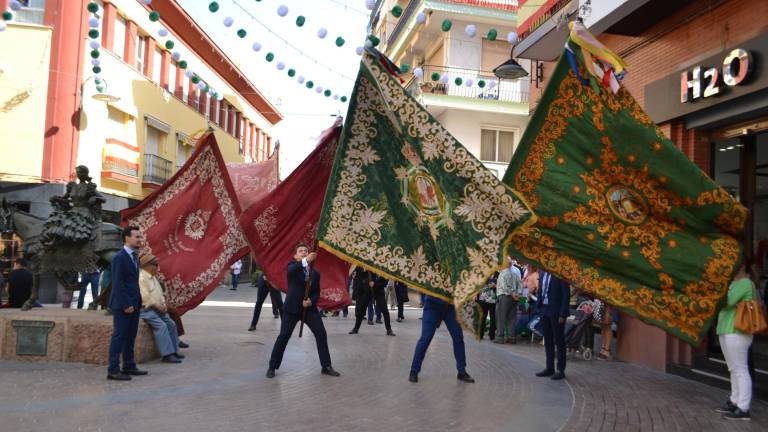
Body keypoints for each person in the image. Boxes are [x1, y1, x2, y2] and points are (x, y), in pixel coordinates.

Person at [266, 243, 340, 378]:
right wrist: (306, 261)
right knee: (283, 336)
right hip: (291, 309)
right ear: (295, 255)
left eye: (306, 251)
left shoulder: (315, 273)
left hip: (309, 310)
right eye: (301, 251)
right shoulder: (292, 267)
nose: (304, 252)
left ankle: (326, 366)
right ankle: (272, 366)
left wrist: (311, 300)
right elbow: (291, 271)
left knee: (321, 334)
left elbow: (316, 291)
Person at [714, 258, 757, 421]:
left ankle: (743, 407)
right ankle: (734, 401)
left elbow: (728, 302)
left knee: (740, 369)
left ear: (742, 266)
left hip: (738, 331)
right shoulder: (733, 282)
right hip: (726, 329)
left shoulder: (745, 282)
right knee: (733, 369)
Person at [107, 226, 148, 381]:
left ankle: (129, 365)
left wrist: (138, 301)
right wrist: (126, 304)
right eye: (137, 237)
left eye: (140, 237)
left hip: (134, 304)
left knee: (130, 336)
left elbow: (133, 282)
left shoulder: (135, 257)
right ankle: (113, 370)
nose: (140, 239)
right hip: (123, 305)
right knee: (119, 336)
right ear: (127, 238)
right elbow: (118, 283)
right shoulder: (119, 257)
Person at [409, 295, 474, 383]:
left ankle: (461, 371)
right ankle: (414, 371)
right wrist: (425, 301)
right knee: (426, 338)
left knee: (458, 337)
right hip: (432, 304)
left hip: (451, 306)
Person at [138, 252, 183, 364]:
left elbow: (159, 293)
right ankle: (167, 354)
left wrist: (163, 305)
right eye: (156, 265)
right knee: (161, 326)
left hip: (157, 308)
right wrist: (158, 306)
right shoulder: (141, 278)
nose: (157, 268)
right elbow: (145, 298)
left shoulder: (153, 278)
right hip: (146, 310)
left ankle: (174, 350)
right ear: (149, 266)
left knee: (171, 324)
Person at [535, 271, 570, 380]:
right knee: (548, 340)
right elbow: (540, 290)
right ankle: (549, 368)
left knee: (559, 340)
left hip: (556, 311)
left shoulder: (560, 274)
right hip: (544, 310)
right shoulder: (542, 274)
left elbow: (566, 294)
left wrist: (563, 314)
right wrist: (539, 307)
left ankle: (560, 370)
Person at [348, 266, 395, 336]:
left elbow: (385, 281)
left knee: (385, 310)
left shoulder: (385, 268)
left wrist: (375, 284)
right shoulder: (370, 266)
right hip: (368, 291)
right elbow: (362, 276)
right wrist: (365, 271)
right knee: (361, 310)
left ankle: (389, 330)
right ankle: (356, 328)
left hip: (379, 292)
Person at [496, 256, 523, 344]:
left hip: (504, 296)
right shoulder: (515, 274)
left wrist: (511, 293)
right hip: (513, 298)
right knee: (512, 318)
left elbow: (504, 286)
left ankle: (500, 337)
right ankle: (512, 337)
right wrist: (517, 294)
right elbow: (520, 284)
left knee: (501, 317)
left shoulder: (502, 273)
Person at [476, 273, 497, 340]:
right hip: (483, 299)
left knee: (493, 318)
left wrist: (495, 286)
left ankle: (492, 335)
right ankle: (480, 334)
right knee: (482, 317)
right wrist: (475, 295)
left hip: (493, 300)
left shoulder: (498, 275)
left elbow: (501, 286)